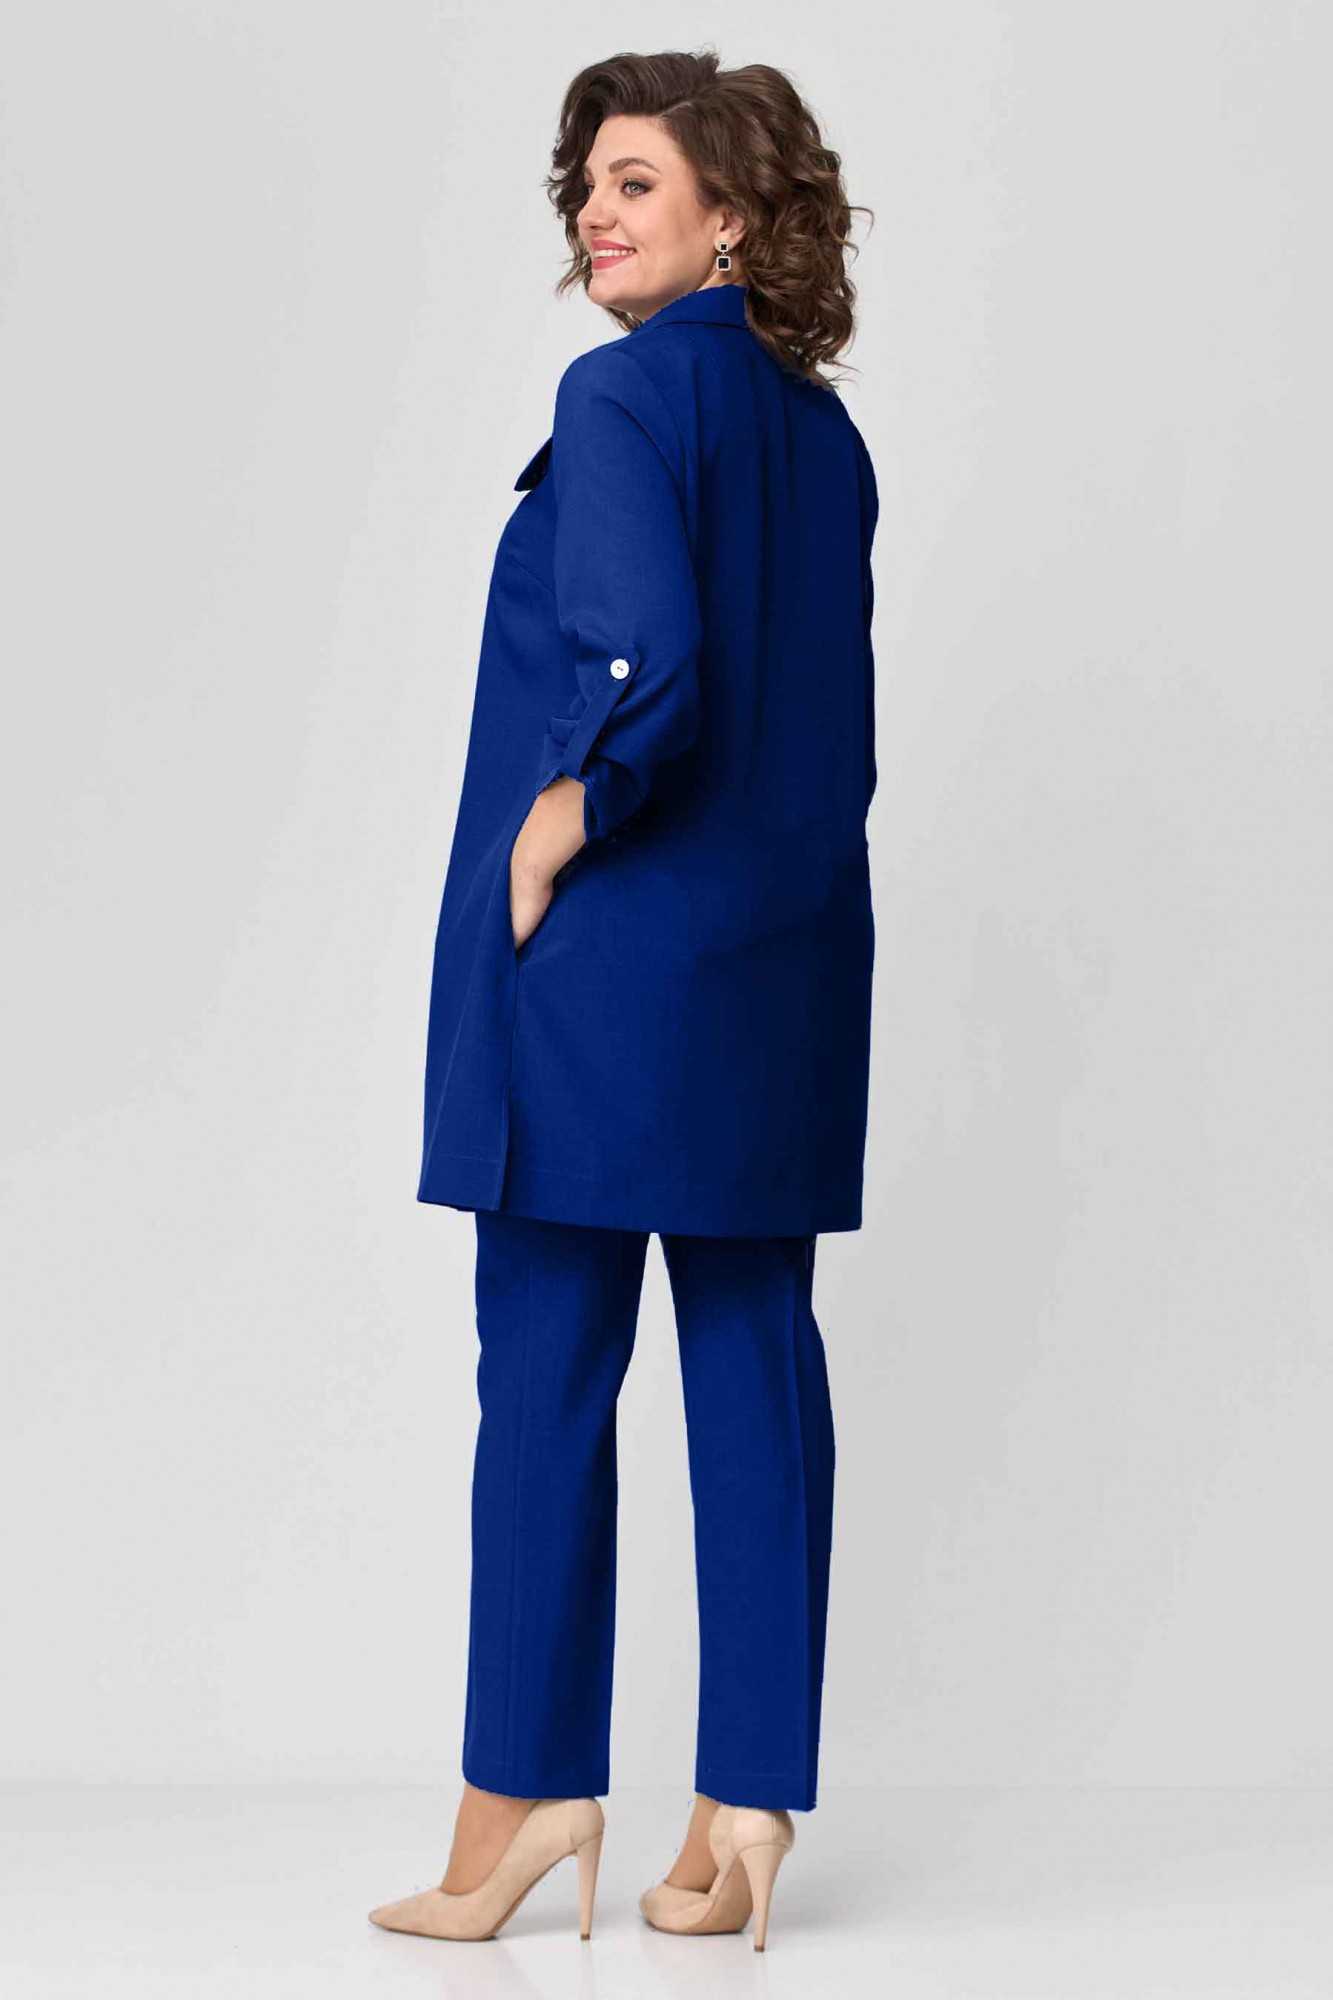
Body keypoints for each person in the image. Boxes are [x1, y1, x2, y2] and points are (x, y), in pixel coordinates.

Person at [369, 49, 879, 1950]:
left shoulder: (618, 394)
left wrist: (557, 820)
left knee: (547, 1365)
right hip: (777, 966)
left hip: (608, 969)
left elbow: (642, 661)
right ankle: (742, 1809)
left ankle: (520, 1797)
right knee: (753, 1356)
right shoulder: (821, 438)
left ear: (730, 216)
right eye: (585, 182)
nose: (594, 209)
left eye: (637, 182)